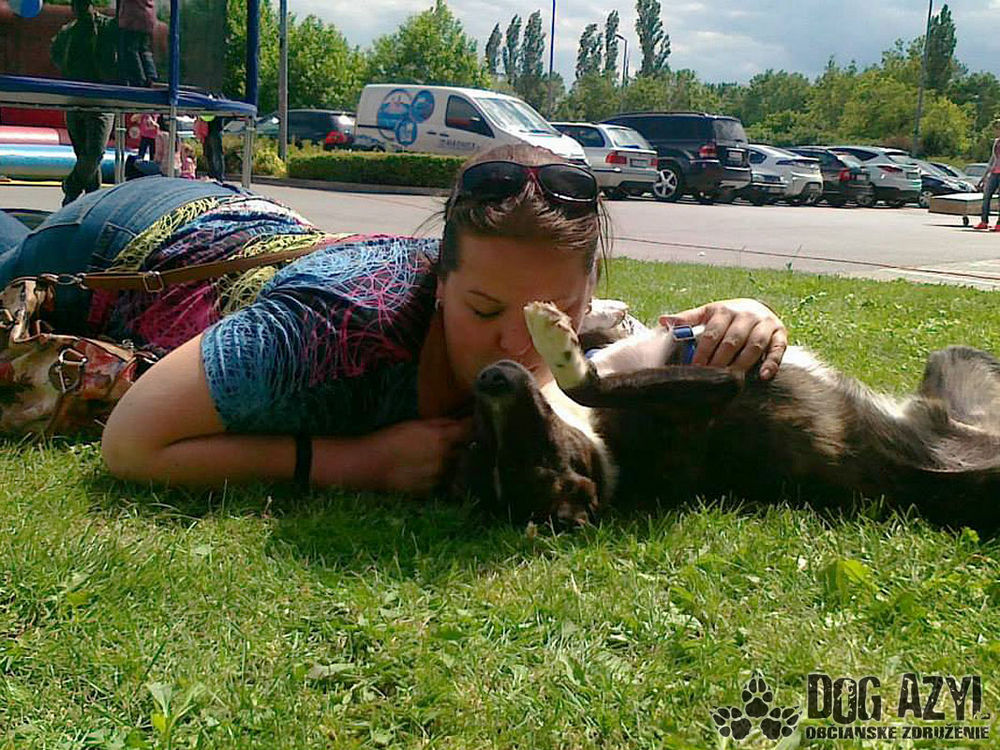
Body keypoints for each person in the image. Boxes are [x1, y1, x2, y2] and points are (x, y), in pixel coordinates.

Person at [0, 145, 787, 494]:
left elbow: (642, 346)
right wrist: (357, 464)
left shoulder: (557, 331)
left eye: (550, 317)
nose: (516, 348)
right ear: (439, 282)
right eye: (484, 310)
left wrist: (742, 317)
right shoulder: (340, 324)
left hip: (256, 227)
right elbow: (131, 443)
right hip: (123, 238)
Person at [50, 0, 116, 206]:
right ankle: (89, 202)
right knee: (84, 155)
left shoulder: (106, 27)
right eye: (77, 5)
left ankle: (71, 189)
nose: (80, 8)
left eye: (84, 4)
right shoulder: (68, 32)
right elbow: (56, 53)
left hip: (101, 100)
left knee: (94, 153)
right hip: (75, 99)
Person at [117, 0, 158, 87]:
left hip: (133, 17)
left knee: (130, 50)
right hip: (148, 17)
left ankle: (138, 79)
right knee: (144, 49)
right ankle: (150, 76)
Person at [975, 120, 1000, 231]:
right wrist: (984, 177)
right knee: (986, 196)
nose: (995, 131)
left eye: (997, 129)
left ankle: (999, 224)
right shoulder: (996, 142)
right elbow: (992, 160)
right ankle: (984, 221)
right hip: (994, 173)